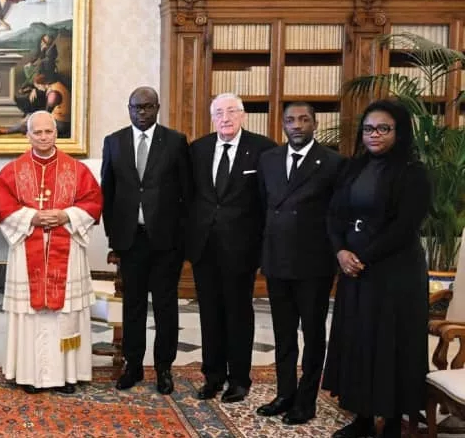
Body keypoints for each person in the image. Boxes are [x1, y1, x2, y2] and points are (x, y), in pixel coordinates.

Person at [322, 99, 431, 438]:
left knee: (391, 344)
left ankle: (394, 422)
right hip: (355, 272)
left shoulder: (413, 173)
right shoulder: (352, 168)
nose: (374, 135)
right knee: (359, 341)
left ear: (399, 131)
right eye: (369, 129)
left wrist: (361, 256)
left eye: (384, 128)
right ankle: (364, 417)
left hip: (395, 275)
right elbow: (334, 214)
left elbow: (404, 227)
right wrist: (340, 251)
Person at [0, 111, 103, 394]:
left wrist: (66, 216)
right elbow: (3, 207)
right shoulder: (12, 171)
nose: (43, 137)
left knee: (67, 315)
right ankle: (29, 374)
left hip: (67, 254)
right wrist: (32, 217)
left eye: (48, 132)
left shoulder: (76, 170)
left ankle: (67, 375)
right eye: (37, 133)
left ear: (56, 134)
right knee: (30, 314)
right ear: (28, 135)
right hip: (27, 248)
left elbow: (93, 202)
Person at [255, 102, 345, 425]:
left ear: (315, 124)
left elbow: (338, 214)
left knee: (312, 334)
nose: (297, 125)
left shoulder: (333, 163)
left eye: (304, 120)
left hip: (313, 264)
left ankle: (306, 402)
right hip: (277, 260)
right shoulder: (269, 160)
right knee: (283, 333)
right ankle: (284, 394)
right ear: (282, 124)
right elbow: (263, 207)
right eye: (290, 120)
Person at [100, 87, 191, 395]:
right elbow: (108, 193)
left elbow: (186, 194)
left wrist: (183, 238)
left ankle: (164, 367)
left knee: (165, 305)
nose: (142, 112)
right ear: (128, 108)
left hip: (166, 241)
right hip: (130, 239)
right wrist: (114, 239)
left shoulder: (175, 142)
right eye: (136, 107)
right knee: (133, 305)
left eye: (148, 107)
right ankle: (133, 365)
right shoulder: (114, 142)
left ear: (157, 108)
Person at [187, 93, 275, 403]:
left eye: (231, 112)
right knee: (209, 313)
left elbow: (269, 202)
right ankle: (213, 376)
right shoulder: (197, 149)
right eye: (219, 113)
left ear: (243, 115)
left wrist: (265, 247)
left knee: (238, 312)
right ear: (212, 118)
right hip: (204, 246)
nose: (225, 118)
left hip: (241, 247)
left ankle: (239, 379)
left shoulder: (263, 149)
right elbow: (190, 197)